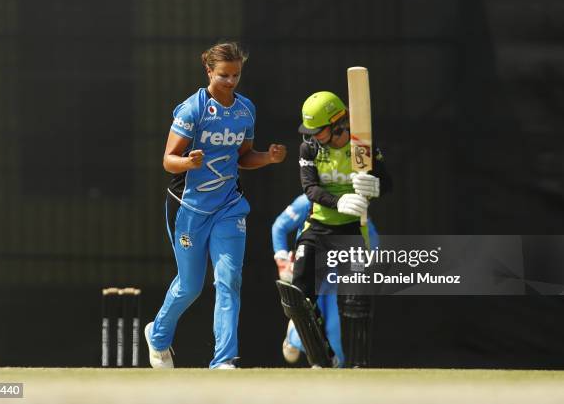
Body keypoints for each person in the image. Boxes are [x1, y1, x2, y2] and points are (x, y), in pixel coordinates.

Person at [145, 42, 287, 369]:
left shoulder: (245, 110)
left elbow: (243, 157)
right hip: (188, 208)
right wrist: (187, 162)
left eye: (236, 75)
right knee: (190, 286)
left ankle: (223, 361)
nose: (231, 81)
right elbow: (168, 160)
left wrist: (267, 157)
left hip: (229, 206)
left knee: (229, 280)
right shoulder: (192, 110)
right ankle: (159, 335)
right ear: (209, 71)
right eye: (224, 75)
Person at [275, 90, 391, 368]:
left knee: (354, 298)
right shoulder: (310, 149)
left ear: (338, 123)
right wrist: (339, 201)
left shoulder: (361, 148)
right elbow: (310, 189)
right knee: (300, 294)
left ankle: (358, 364)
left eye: (318, 130)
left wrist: (375, 186)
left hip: (351, 230)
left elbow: (387, 183)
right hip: (317, 228)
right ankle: (320, 356)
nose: (312, 136)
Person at [272, 194, 380, 367]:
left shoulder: (353, 203)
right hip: (310, 272)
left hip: (336, 277)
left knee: (334, 334)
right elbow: (279, 227)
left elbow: (371, 240)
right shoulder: (306, 202)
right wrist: (282, 259)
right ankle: (294, 337)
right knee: (309, 320)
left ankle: (330, 375)